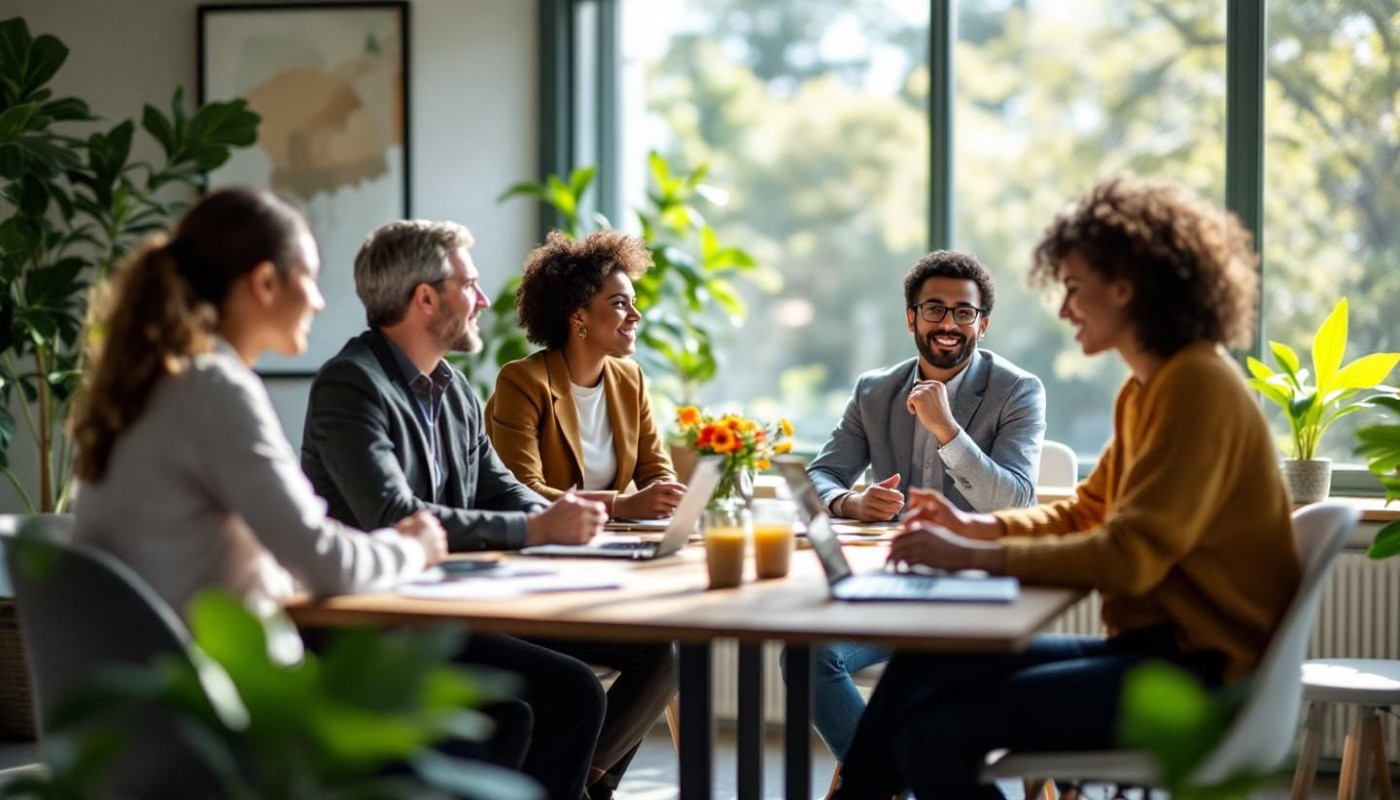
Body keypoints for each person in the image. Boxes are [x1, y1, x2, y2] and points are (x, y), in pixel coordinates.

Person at [832, 176, 1302, 799]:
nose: (1064, 310)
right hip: (1153, 653)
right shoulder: (1148, 388)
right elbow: (1087, 509)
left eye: (1075, 289)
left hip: (1201, 677)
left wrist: (976, 553)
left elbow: (1129, 555)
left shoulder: (1196, 386)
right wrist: (978, 526)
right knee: (926, 661)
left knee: (933, 732)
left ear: (1125, 289)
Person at [299, 220, 667, 800]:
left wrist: (581, 525)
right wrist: (536, 526)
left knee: (644, 653)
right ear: (426, 298)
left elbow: (503, 489)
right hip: (377, 624)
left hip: (447, 607)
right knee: (571, 694)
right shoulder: (352, 385)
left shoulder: (454, 391)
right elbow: (396, 515)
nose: (482, 299)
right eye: (469, 284)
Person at [70, 187, 446, 628]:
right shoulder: (213, 387)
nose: (319, 301)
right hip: (218, 683)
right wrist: (414, 548)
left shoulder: (154, 382)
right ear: (266, 283)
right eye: (310, 277)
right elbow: (323, 561)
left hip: (152, 676)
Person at [787, 250, 1046, 764]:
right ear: (911, 318)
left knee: (927, 687)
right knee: (805, 656)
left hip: (974, 588)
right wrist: (851, 500)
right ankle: (889, 780)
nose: (948, 324)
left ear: (982, 324)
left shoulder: (1018, 391)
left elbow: (1017, 501)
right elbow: (819, 476)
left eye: (963, 313)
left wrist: (947, 429)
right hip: (895, 583)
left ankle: (875, 781)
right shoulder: (874, 391)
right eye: (934, 310)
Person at [485, 230, 685, 519]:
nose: (635, 315)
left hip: (612, 542)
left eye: (633, 302)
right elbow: (523, 490)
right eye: (619, 303)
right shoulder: (522, 381)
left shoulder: (630, 378)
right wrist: (619, 505)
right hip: (544, 544)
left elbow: (655, 470)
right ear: (578, 316)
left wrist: (668, 497)